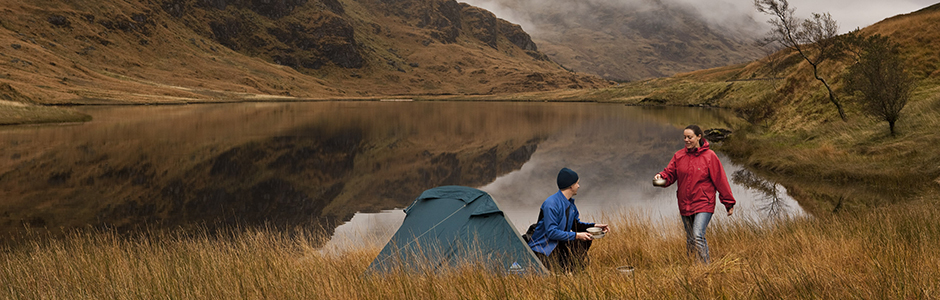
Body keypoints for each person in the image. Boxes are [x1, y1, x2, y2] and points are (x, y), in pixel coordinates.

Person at [654, 125, 735, 263]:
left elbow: (720, 180)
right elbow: (670, 174)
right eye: (684, 137)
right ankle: (691, 265)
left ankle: (705, 268)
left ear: (699, 137)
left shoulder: (710, 156)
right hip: (685, 203)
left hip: (704, 202)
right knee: (690, 237)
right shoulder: (679, 156)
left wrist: (728, 202)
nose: (686, 140)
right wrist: (660, 176)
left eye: (689, 137)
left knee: (698, 235)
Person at [527, 167, 609, 272]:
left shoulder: (570, 203)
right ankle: (565, 268)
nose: (578, 186)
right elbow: (551, 233)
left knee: (585, 240)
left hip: (559, 244)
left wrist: (595, 226)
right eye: (577, 183)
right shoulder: (551, 204)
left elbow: (576, 225)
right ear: (570, 186)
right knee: (554, 273)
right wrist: (577, 235)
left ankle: (572, 268)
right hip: (544, 249)